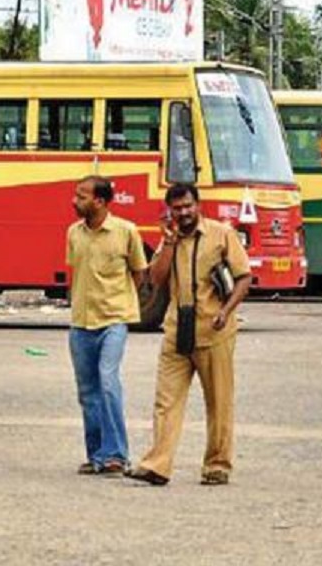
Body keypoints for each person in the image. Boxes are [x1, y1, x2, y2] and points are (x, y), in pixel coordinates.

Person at [127, 183, 251, 486]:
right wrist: (167, 244)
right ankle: (158, 465)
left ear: (198, 205)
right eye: (177, 208)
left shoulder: (222, 235)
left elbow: (243, 277)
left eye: (187, 206)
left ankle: (217, 465)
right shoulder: (170, 239)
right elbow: (155, 279)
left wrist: (227, 311)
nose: (183, 213)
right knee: (166, 401)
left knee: (219, 400)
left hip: (214, 329)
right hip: (176, 329)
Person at [66, 176, 148, 476]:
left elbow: (140, 274)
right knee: (87, 391)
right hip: (80, 323)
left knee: (108, 382)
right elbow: (75, 273)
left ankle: (116, 454)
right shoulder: (74, 233)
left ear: (100, 201)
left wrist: (123, 303)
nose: (75, 201)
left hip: (113, 319)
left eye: (82, 196)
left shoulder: (126, 232)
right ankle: (97, 454)